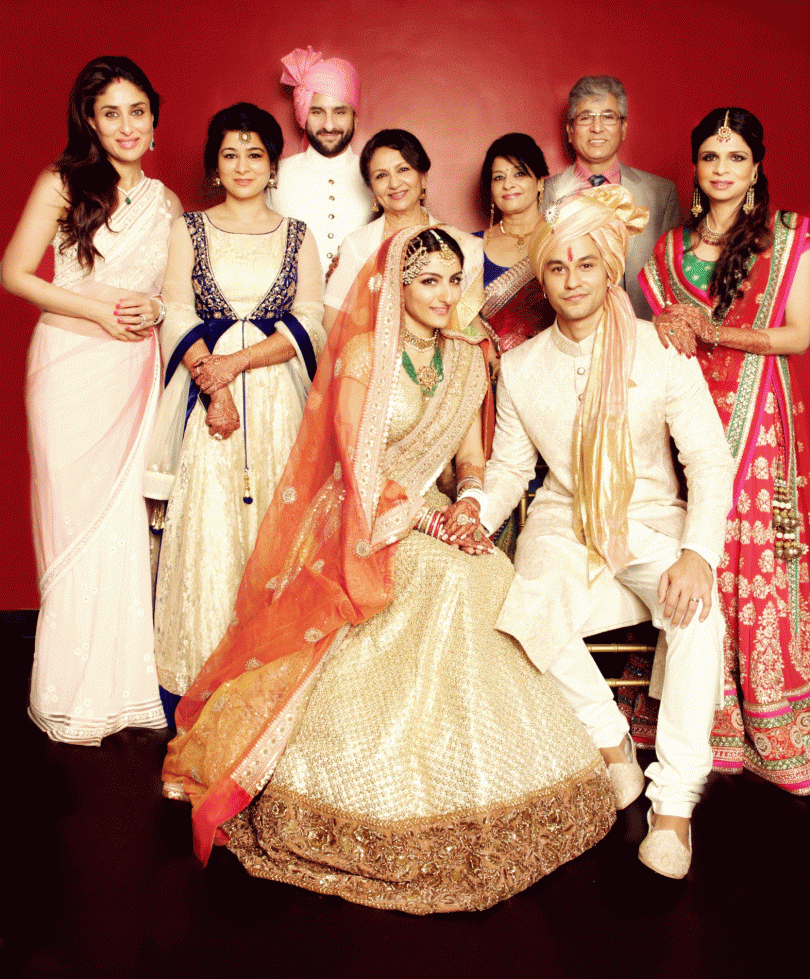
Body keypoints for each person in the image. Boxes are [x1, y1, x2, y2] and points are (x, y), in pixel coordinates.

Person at [161, 228, 616, 914]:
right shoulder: (364, 355)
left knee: (488, 573)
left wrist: (467, 506)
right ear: (396, 287)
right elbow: (361, 469)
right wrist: (430, 524)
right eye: (428, 280)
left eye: (453, 280)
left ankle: (474, 775)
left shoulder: (467, 358)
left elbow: (471, 459)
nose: (444, 295)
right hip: (359, 515)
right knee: (451, 578)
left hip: (429, 511)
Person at [481, 185, 735, 878]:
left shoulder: (660, 349)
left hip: (651, 522)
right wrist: (474, 518)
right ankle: (610, 740)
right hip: (565, 522)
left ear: (609, 269)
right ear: (542, 278)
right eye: (557, 267)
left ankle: (674, 804)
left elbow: (708, 458)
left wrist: (697, 553)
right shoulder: (522, 367)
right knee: (518, 605)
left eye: (586, 264)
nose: (572, 280)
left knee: (698, 613)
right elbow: (510, 469)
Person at [1, 56, 181, 744]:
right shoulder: (63, 182)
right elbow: (14, 272)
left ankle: (125, 689)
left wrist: (153, 310)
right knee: (74, 521)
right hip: (69, 369)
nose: (126, 126)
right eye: (111, 113)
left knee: (125, 523)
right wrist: (98, 311)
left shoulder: (167, 203)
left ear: (154, 119)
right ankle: (68, 690)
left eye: (137, 111)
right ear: (91, 122)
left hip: (134, 369)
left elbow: (170, 295)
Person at [640, 107, 810, 795]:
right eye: (711, 156)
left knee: (748, 551)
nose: (721, 169)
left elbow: (798, 335)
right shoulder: (668, 250)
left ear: (756, 167)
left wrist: (717, 333)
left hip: (757, 415)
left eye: (736, 156)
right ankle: (699, 713)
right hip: (684, 414)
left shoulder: (788, 238)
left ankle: (763, 714)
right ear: (695, 165)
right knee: (690, 542)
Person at [147, 103, 325, 723]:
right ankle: (200, 675)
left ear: (273, 165)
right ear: (214, 166)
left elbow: (309, 320)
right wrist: (213, 384)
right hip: (205, 399)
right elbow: (174, 311)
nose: (243, 166)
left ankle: (273, 673)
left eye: (255, 154)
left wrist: (238, 364)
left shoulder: (298, 233)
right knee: (209, 526)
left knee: (281, 522)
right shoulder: (188, 229)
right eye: (230, 154)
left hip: (280, 396)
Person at [543, 76, 680, 320]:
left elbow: (671, 278)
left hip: (640, 329)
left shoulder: (661, 193)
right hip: (569, 329)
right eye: (585, 118)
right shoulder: (544, 193)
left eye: (608, 117)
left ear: (623, 128)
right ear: (570, 130)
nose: (597, 128)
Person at [322, 129, 484, 334]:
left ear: (423, 176)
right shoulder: (357, 246)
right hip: (369, 353)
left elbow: (471, 328)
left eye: (403, 169)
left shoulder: (463, 245)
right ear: (371, 188)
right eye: (381, 175)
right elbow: (331, 326)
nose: (394, 183)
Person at [269, 46, 373, 272]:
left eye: (340, 112)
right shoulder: (275, 175)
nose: (328, 125)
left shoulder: (376, 175)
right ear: (303, 115)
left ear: (355, 118)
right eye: (317, 112)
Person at [474, 133, 555, 354]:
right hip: (488, 366)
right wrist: (493, 362)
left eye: (519, 174)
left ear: (540, 182)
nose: (508, 184)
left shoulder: (560, 237)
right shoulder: (471, 246)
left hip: (553, 362)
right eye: (498, 177)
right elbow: (462, 315)